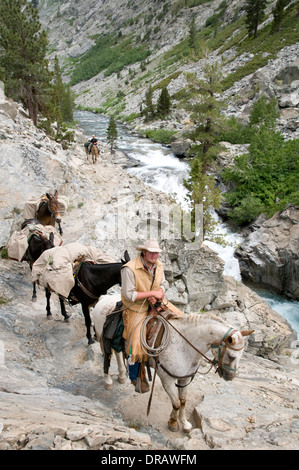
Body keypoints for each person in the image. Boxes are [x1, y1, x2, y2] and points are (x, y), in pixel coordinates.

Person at [121, 239, 182, 391]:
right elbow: (128, 295)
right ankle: (135, 376)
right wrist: (151, 293)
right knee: (136, 342)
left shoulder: (159, 265)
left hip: (156, 301)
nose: (155, 255)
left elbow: (161, 284)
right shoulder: (128, 269)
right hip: (136, 307)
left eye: (157, 253)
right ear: (144, 252)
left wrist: (159, 293)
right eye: (151, 252)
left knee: (181, 317)